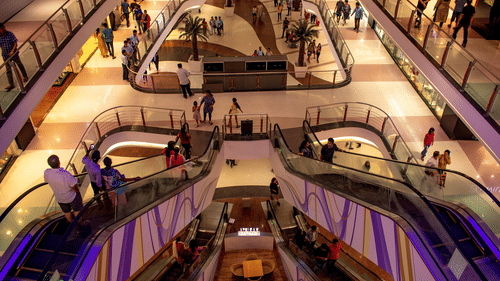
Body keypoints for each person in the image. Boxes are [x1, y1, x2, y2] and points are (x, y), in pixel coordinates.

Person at [44, 155, 83, 223]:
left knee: (67, 212)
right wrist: (77, 192)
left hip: (60, 198)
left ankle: (71, 224)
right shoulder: (65, 174)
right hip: (71, 197)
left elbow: (46, 181)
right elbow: (74, 186)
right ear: (59, 162)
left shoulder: (46, 172)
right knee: (77, 211)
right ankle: (79, 223)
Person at [0, 23, 29, 91]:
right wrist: (4, 52)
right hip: (5, 56)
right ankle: (11, 84)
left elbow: (15, 43)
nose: (4, 29)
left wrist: (12, 51)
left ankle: (25, 76)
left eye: (3, 27)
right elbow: (1, 45)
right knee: (8, 70)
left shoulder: (9, 34)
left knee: (19, 64)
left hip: (14, 54)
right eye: (2, 28)